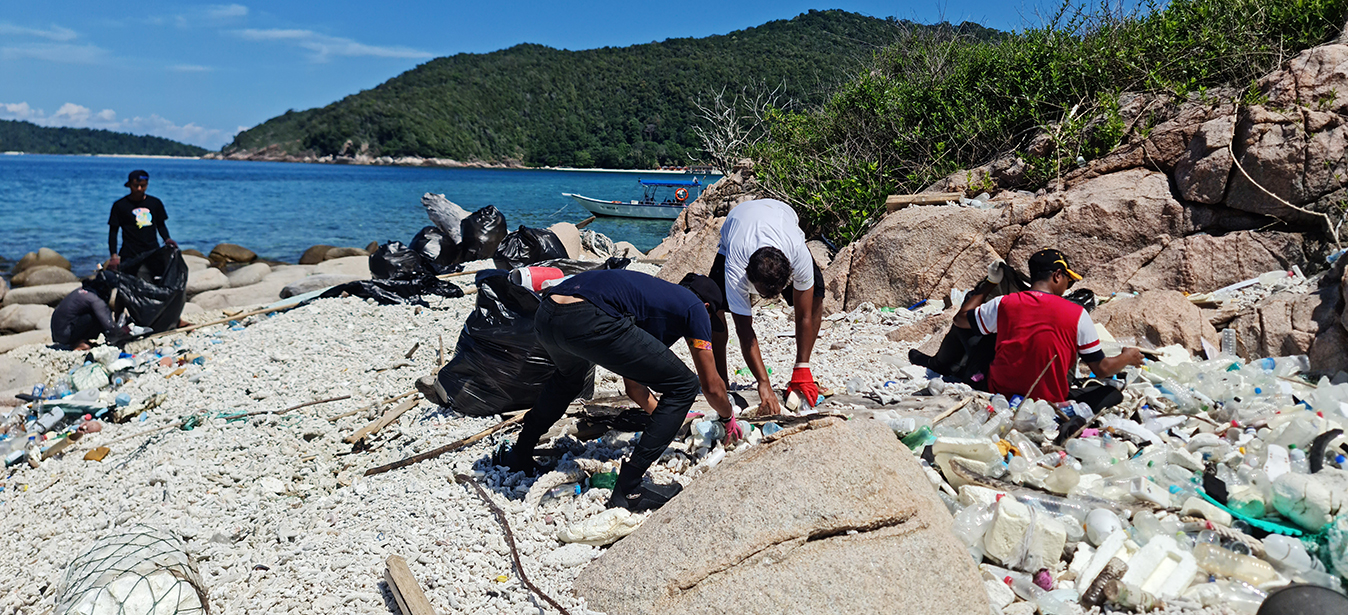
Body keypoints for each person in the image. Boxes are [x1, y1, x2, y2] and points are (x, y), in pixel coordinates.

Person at [494, 270, 738, 511]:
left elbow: (634, 387)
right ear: (706, 305)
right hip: (587, 315)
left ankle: (520, 453)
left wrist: (669, 419)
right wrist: (727, 417)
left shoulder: (654, 297)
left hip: (548, 311)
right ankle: (629, 489)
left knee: (568, 380)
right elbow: (711, 386)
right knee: (684, 386)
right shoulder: (694, 307)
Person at [953, 249, 1144, 411]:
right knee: (1111, 394)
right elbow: (1102, 369)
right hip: (1049, 403)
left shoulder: (1005, 303)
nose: (1068, 286)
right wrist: (1128, 356)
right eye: (1068, 280)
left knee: (983, 329)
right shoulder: (1078, 314)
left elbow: (960, 319)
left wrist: (991, 282)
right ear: (1057, 275)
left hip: (1000, 394)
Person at [708, 198, 822, 415]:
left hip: (781, 214)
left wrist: (802, 369)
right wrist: (763, 382)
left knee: (816, 296)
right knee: (715, 308)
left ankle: (802, 370)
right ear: (747, 276)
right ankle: (722, 382)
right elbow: (744, 330)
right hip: (738, 222)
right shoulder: (736, 266)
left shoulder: (798, 254)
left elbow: (805, 315)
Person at [108, 169, 175, 271]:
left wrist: (167, 239)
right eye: (136, 186)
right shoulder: (120, 205)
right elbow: (113, 232)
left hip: (152, 250)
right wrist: (113, 255)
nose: (139, 189)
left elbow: (161, 225)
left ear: (147, 185)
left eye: (143, 186)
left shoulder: (155, 203)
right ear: (129, 185)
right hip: (129, 252)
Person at [50, 278, 128, 350]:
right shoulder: (93, 299)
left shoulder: (84, 291)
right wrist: (122, 332)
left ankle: (80, 341)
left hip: (58, 332)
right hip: (65, 335)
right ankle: (77, 344)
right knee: (96, 316)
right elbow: (107, 323)